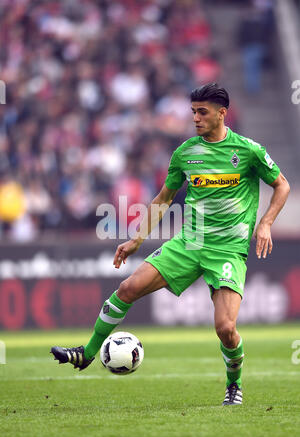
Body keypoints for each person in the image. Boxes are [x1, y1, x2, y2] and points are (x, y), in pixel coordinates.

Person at [51, 83, 290, 406]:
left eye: (202, 112)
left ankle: (234, 385)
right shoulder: (185, 153)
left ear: (222, 114)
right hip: (188, 243)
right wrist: (137, 238)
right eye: (193, 111)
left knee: (225, 328)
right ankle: (87, 353)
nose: (195, 118)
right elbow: (164, 197)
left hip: (228, 249)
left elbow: (282, 185)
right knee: (127, 288)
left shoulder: (248, 151)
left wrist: (265, 223)